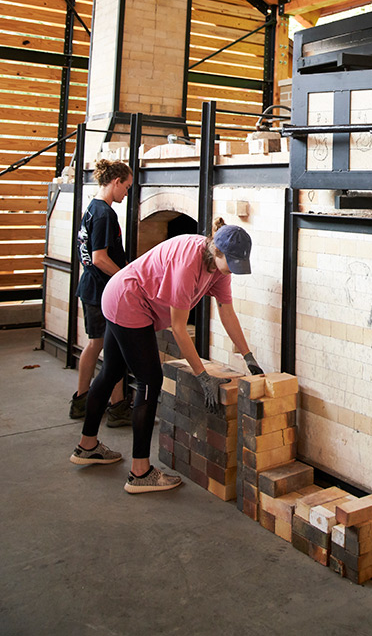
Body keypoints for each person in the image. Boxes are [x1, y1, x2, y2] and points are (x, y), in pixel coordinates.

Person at [70, 218, 263, 494]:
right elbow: (179, 328)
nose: (232, 270)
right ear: (217, 252)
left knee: (112, 371)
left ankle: (87, 446)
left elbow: (226, 311)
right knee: (150, 381)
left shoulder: (220, 270)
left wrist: (249, 357)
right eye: (230, 263)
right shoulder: (189, 263)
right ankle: (140, 473)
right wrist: (202, 376)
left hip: (121, 295)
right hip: (127, 300)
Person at [69, 158, 133, 426]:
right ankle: (116, 407)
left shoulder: (93, 208)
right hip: (101, 290)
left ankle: (83, 401)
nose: (127, 193)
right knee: (110, 346)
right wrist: (127, 278)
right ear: (116, 182)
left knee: (97, 344)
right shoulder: (106, 214)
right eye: (127, 187)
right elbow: (99, 258)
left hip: (91, 287)